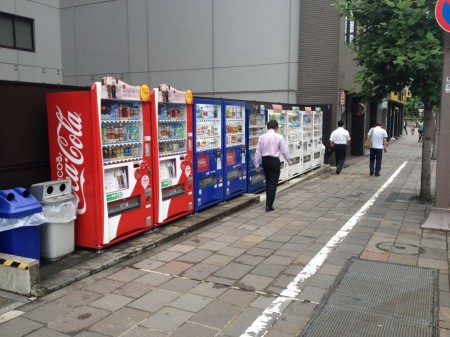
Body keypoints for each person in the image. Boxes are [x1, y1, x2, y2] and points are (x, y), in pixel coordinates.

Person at [254, 120, 292, 212]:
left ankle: (268, 203)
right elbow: (284, 150)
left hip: (265, 161)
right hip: (274, 161)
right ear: (276, 128)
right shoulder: (279, 137)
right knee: (273, 183)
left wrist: (256, 163)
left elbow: (258, 151)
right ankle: (269, 205)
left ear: (267, 127)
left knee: (268, 181)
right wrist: (289, 161)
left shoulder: (261, 137)